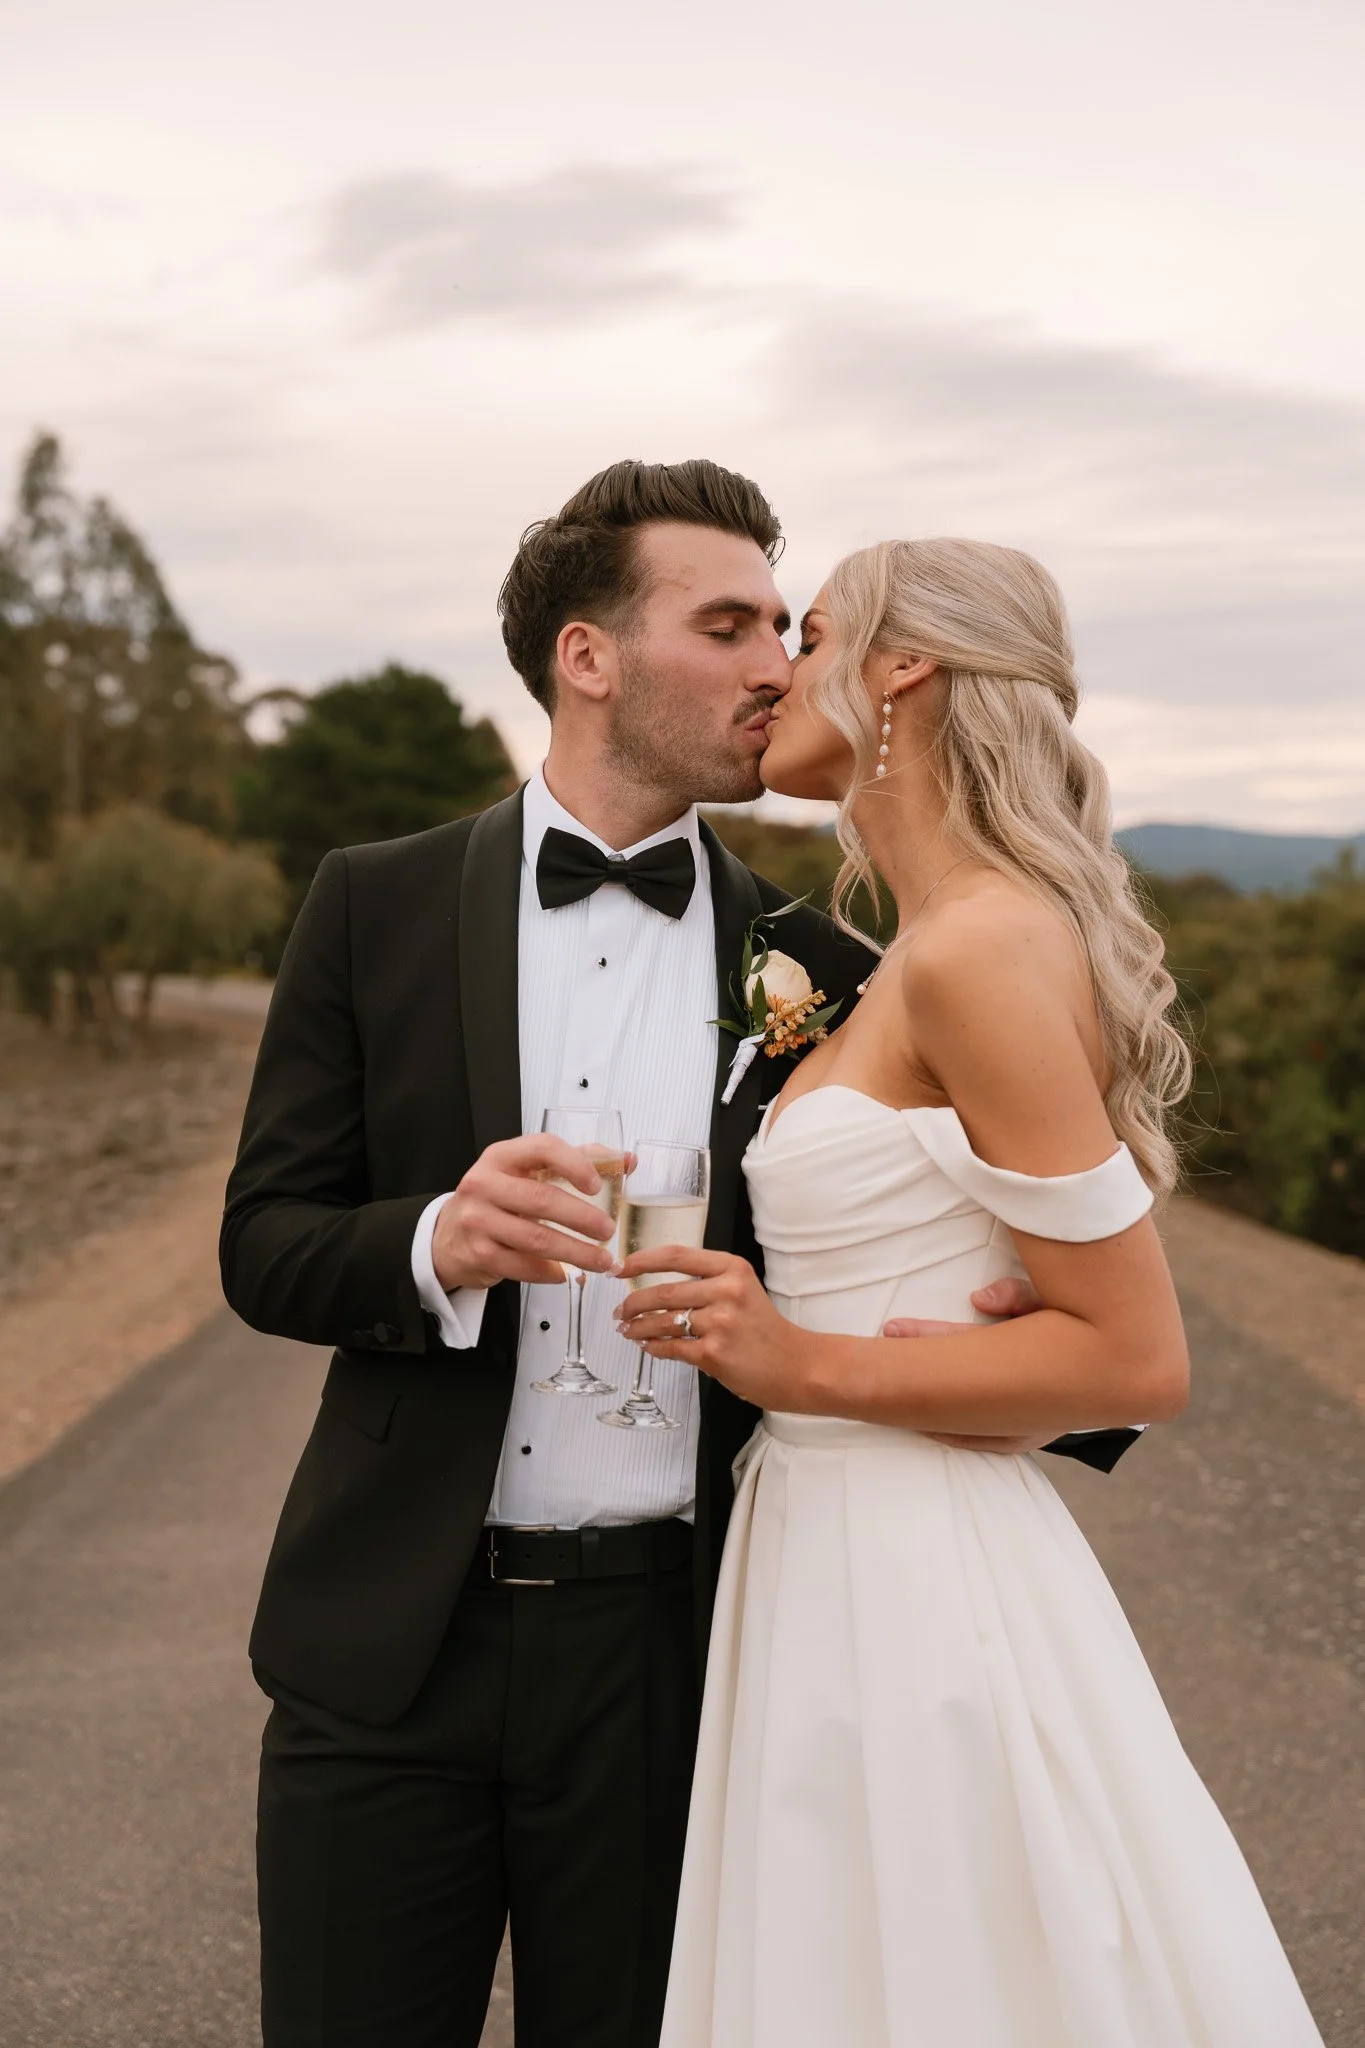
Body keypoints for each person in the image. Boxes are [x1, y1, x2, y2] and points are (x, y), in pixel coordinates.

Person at [222, 467, 1136, 2048]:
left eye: (787, 625)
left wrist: (974, 1329)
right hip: (387, 1647)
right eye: (727, 626)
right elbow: (265, 1245)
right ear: (591, 658)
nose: (776, 663)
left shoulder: (831, 970)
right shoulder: (370, 908)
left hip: (683, 1657)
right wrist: (436, 1238)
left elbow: (1056, 1287)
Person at [613, 537, 1325, 2047]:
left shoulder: (978, 951)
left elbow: (1135, 1359)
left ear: (901, 669)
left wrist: (797, 1364)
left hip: (908, 1568)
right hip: (831, 1537)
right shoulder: (921, 950)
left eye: (808, 634)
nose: (774, 673)